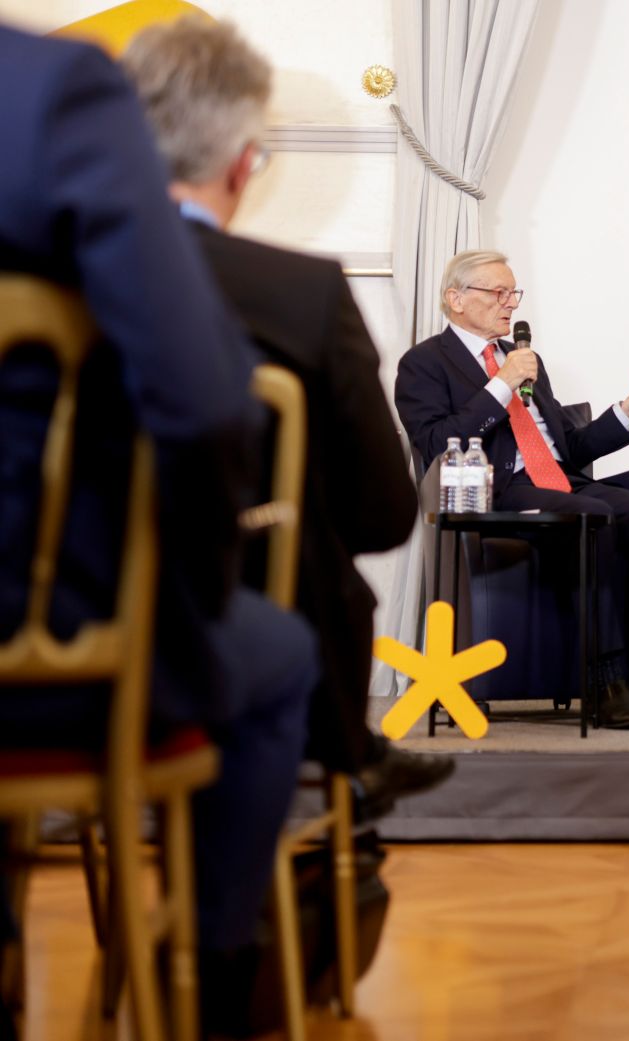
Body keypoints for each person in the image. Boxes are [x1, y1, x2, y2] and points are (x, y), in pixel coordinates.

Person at [0, 23, 317, 1035]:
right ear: (242, 160)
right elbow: (202, 397)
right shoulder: (49, 89)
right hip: (39, 655)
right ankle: (210, 981)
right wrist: (184, 596)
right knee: (282, 645)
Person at [120, 16, 454, 820]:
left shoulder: (34, 276)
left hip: (27, 648)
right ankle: (231, 932)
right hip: (200, 643)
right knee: (292, 625)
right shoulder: (297, 293)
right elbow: (380, 516)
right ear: (243, 163)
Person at [394, 250, 629, 728]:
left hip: (561, 482)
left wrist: (627, 410)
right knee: (589, 516)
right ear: (455, 299)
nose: (509, 304)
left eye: (513, 292)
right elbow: (437, 443)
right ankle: (605, 681)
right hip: (498, 490)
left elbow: (568, 446)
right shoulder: (425, 363)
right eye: (497, 292)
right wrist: (501, 385)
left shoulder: (524, 361)